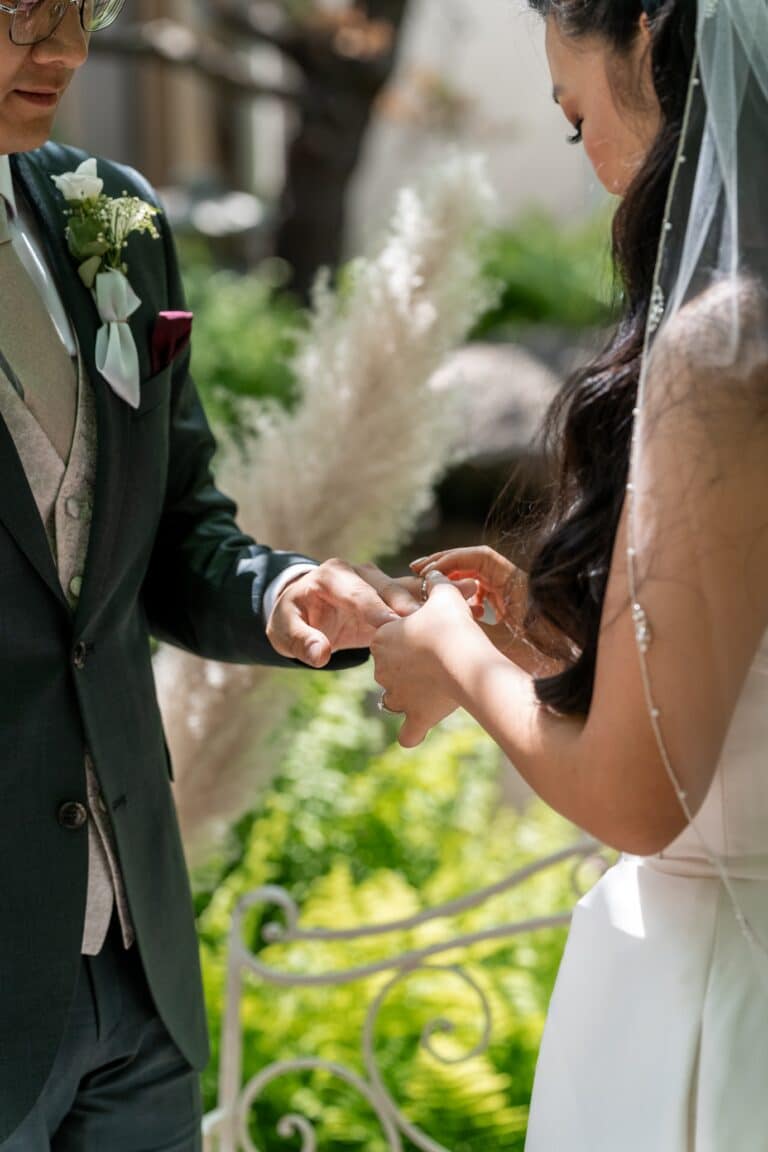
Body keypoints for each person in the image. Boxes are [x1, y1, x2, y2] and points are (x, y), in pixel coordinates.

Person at [0, 0, 441, 1147]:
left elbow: (174, 531)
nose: (66, 51)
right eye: (20, 13)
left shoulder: (111, 218)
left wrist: (282, 596)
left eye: (84, 9)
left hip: (138, 978)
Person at [372, 0, 768, 1147]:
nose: (592, 161)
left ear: (650, 35)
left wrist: (454, 653)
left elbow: (641, 800)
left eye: (573, 116)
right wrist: (557, 641)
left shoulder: (725, 356)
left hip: (719, 1001)